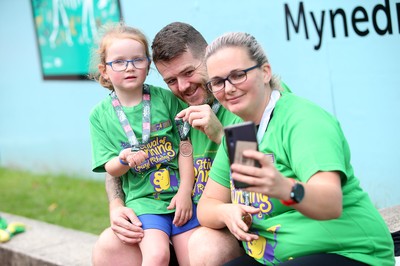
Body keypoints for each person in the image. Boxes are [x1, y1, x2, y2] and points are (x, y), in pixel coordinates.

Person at [197, 31, 395, 265]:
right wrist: (226, 212)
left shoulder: (302, 119)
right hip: (277, 258)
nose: (228, 88)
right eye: (218, 82)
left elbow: (330, 202)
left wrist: (285, 188)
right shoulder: (241, 132)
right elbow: (207, 206)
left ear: (265, 72)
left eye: (238, 75)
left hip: (349, 251)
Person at [92, 22, 245, 266]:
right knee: (109, 246)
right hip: (166, 216)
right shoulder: (177, 106)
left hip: (226, 225)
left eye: (188, 72)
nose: (183, 86)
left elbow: (265, 164)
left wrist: (221, 136)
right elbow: (119, 158)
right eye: (171, 80)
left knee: (206, 247)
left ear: (208, 57)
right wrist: (116, 205)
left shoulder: (240, 100)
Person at [89, 22, 199, 266]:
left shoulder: (166, 99)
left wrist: (184, 192)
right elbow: (109, 168)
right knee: (157, 255)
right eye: (118, 62)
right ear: (104, 70)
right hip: (144, 203)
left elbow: (185, 146)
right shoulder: (100, 115)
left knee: (191, 257)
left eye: (138, 60)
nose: (130, 67)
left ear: (148, 65)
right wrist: (122, 159)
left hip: (181, 197)